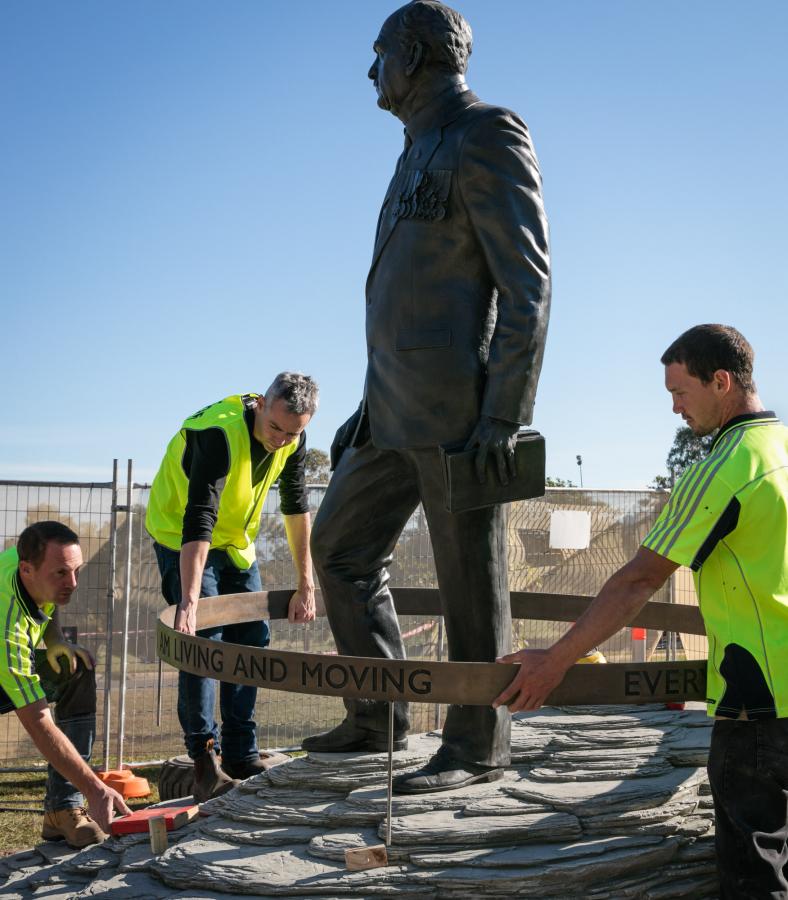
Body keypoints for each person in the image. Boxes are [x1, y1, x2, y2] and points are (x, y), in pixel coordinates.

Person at [303, 0, 550, 795]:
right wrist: (364, 407)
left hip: (461, 416)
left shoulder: (488, 132)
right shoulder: (413, 149)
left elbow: (527, 284)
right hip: (388, 412)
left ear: (412, 54)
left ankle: (479, 743)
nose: (371, 71)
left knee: (470, 585)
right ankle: (379, 714)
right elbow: (406, 299)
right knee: (339, 550)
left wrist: (504, 414)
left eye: (378, 54)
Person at [495, 324, 787, 898]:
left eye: (680, 392)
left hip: (757, 707)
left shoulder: (727, 467)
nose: (675, 408)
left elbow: (640, 579)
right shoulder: (780, 449)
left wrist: (556, 660)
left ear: (721, 382)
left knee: (758, 876)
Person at [146, 373, 319, 801]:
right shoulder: (217, 434)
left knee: (251, 640)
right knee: (205, 641)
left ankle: (242, 753)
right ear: (261, 404)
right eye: (275, 427)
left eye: (292, 432)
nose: (280, 440)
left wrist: (305, 584)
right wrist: (189, 601)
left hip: (236, 542)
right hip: (181, 535)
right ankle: (204, 761)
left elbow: (296, 508)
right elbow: (199, 515)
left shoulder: (294, 437)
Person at [0, 521, 131, 848]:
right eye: (61, 573)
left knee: (76, 669)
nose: (72, 583)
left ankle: (63, 809)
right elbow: (38, 722)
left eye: (77, 571)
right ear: (27, 569)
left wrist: (56, 638)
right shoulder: (7, 627)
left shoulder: (23, 563)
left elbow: (46, 598)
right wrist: (96, 790)